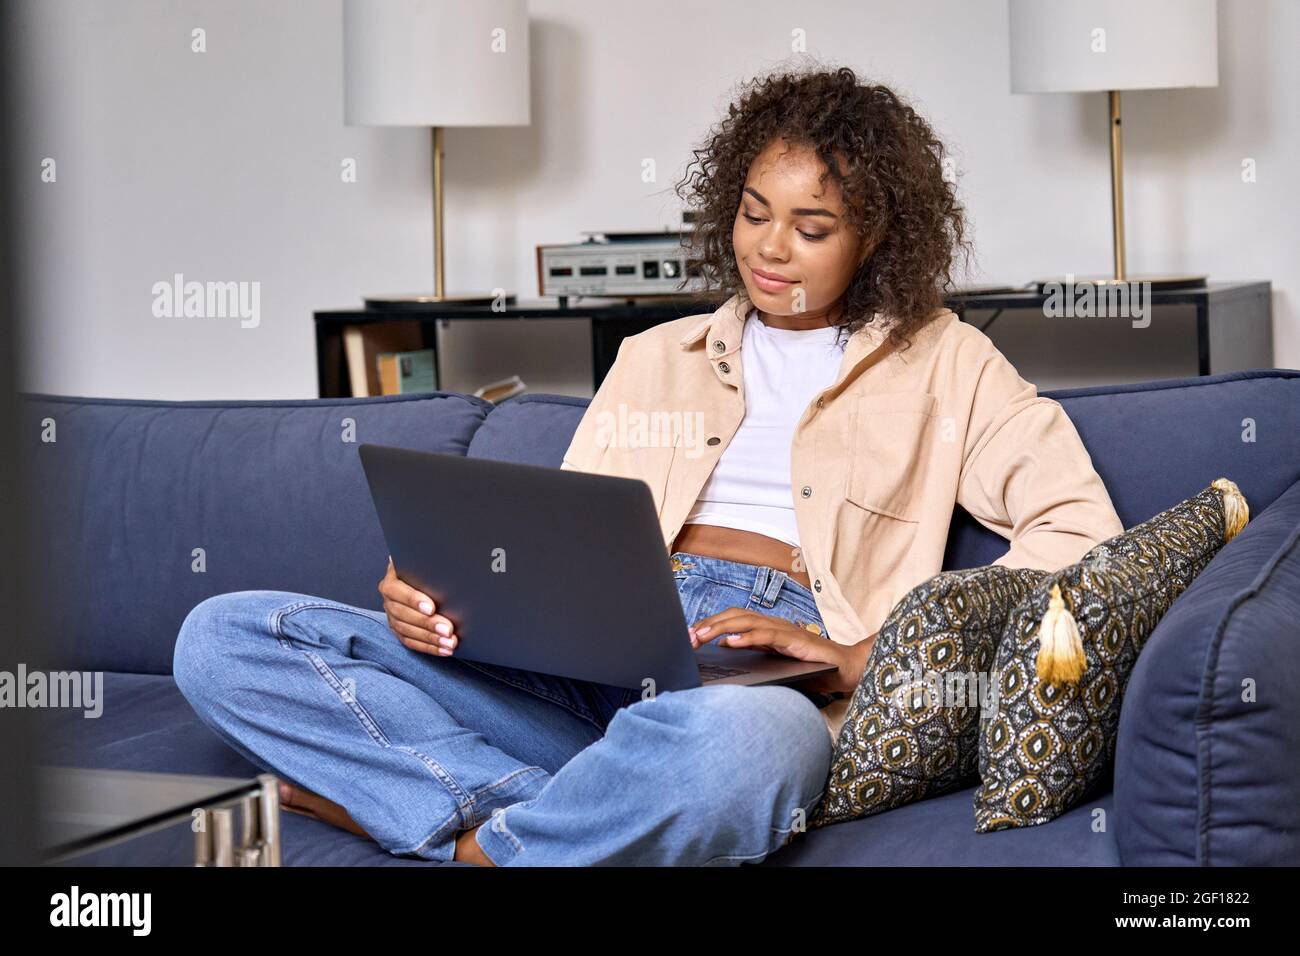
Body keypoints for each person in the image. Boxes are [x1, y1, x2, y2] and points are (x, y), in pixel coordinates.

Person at [173, 65, 1123, 867]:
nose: (769, 248)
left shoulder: (949, 362)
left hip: (752, 686)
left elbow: (1085, 536)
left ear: (875, 235)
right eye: (754, 214)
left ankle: (468, 838)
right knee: (225, 637)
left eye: (811, 226)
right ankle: (561, 813)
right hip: (580, 664)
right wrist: (437, 593)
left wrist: (862, 655)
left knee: (747, 753)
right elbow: (555, 537)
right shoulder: (655, 355)